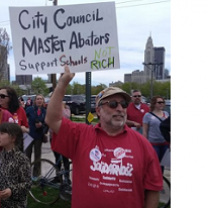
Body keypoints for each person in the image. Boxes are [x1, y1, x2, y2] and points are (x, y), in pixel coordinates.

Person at [45, 65, 163, 208]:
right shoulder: (81, 135)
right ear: (99, 110)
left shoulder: (143, 145)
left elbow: (153, 188)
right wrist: (62, 83)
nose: (120, 108)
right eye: (113, 104)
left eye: (124, 104)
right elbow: (52, 120)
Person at [0, 122, 32, 208]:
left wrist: (12, 190)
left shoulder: (21, 159)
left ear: (13, 138)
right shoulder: (1, 155)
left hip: (16, 205)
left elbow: (27, 184)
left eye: (2, 133)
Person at [143, 95, 170, 173]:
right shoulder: (147, 116)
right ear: (154, 104)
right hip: (153, 144)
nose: (161, 104)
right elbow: (145, 131)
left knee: (162, 165)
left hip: (165, 143)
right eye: (159, 102)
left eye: (163, 102)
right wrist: (145, 145)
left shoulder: (166, 114)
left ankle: (160, 180)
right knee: (154, 164)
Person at [25, 94, 47, 176]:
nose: (39, 100)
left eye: (41, 99)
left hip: (39, 136)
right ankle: (26, 174)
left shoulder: (45, 111)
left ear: (43, 101)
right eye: (38, 99)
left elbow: (47, 123)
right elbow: (24, 118)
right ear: (35, 101)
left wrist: (42, 125)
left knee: (38, 156)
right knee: (27, 156)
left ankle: (36, 175)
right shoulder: (30, 109)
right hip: (29, 135)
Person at [50, 101, 71, 183]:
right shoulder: (52, 108)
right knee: (57, 158)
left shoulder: (66, 109)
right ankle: (58, 176)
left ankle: (67, 178)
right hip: (54, 136)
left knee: (65, 158)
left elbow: (66, 117)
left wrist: (62, 107)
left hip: (64, 137)